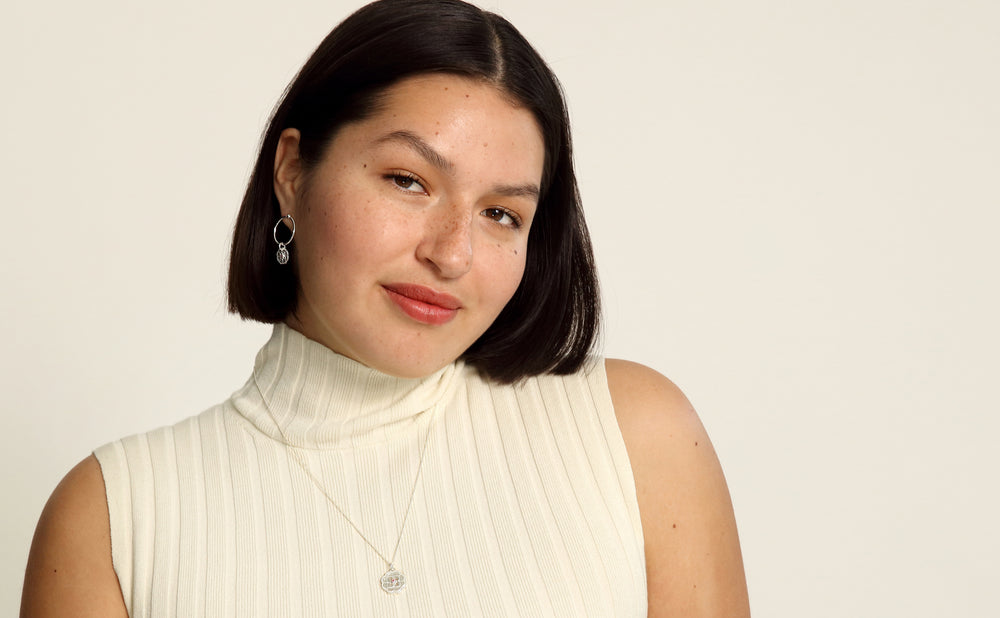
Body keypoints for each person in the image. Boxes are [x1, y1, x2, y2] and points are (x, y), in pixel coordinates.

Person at [20, 0, 749, 615]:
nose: (452, 254)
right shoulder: (117, 518)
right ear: (292, 171)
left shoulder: (635, 436)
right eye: (408, 181)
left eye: (501, 214)